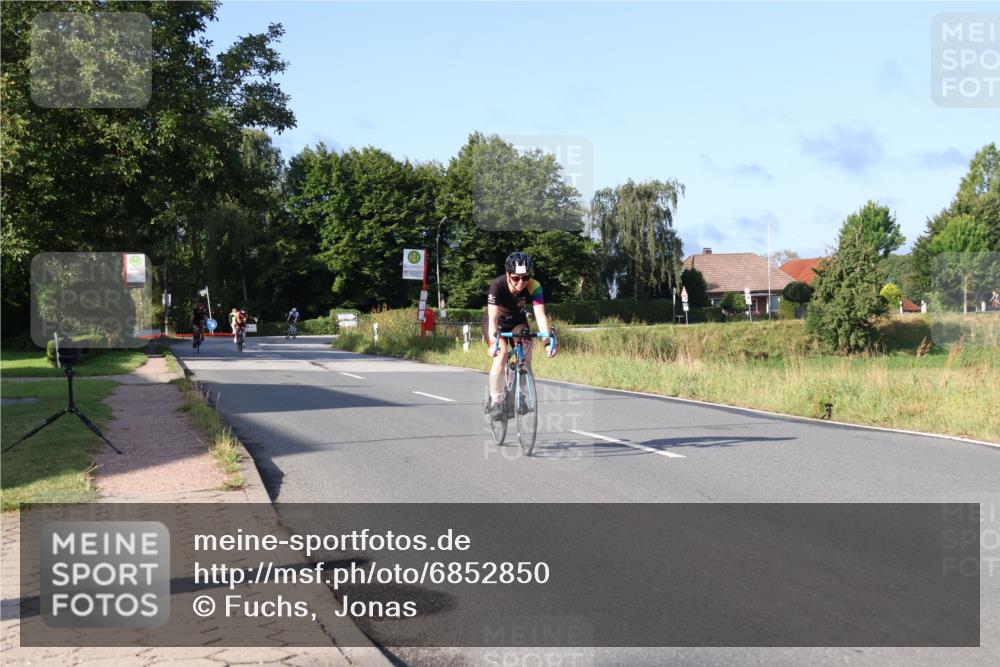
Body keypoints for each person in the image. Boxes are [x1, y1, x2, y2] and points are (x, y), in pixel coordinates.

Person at [483, 252, 557, 420]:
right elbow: (492, 318)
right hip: (497, 322)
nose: (521, 282)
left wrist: (547, 342)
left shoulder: (534, 286)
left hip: (518, 321)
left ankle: (521, 395)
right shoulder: (497, 285)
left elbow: (540, 316)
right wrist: (492, 343)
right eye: (516, 278)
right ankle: (495, 400)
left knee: (526, 352)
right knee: (501, 354)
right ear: (508, 274)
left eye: (525, 278)